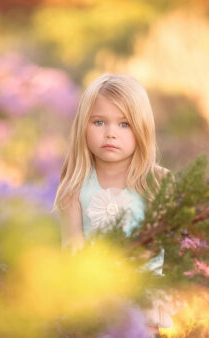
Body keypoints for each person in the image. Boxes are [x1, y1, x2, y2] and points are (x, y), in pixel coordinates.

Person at [53, 73, 172, 330]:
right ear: (83, 125)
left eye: (124, 124)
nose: (110, 134)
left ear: (141, 128)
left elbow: (160, 247)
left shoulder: (156, 183)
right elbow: (72, 251)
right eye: (99, 122)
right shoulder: (75, 188)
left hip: (143, 299)